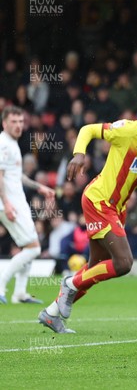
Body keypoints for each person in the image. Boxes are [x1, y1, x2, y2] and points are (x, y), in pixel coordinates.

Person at [38, 93, 137, 333]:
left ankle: (51, 313)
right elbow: (88, 129)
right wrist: (79, 153)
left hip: (117, 208)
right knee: (124, 263)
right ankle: (70, 282)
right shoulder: (128, 130)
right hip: (99, 200)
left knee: (96, 267)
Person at [0, 105, 56, 304]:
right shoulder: (4, 144)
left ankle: (20, 293)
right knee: (33, 248)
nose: (18, 125)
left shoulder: (12, 143)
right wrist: (6, 203)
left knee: (30, 245)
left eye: (21, 121)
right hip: (9, 203)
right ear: (4, 123)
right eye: (13, 122)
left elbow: (16, 175)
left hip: (16, 202)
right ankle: (2, 284)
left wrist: (39, 186)